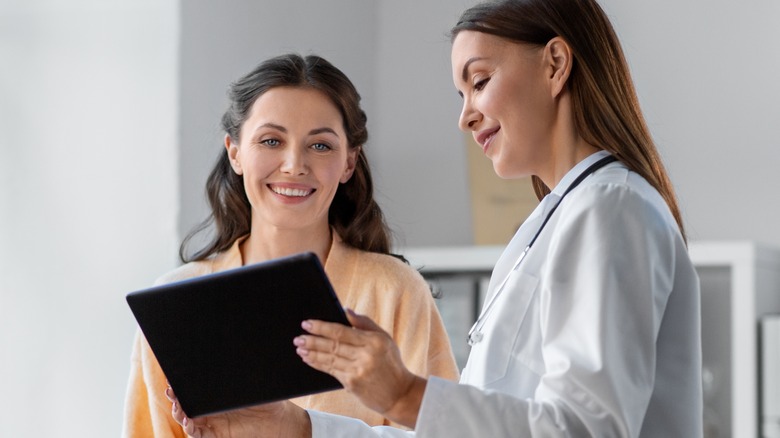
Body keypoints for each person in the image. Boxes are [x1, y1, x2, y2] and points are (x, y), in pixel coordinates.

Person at [170, 0, 703, 436]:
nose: (465, 114)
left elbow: (589, 430)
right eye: (461, 92)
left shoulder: (610, 210)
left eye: (480, 80)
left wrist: (404, 393)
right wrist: (296, 428)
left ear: (555, 64)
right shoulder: (556, 224)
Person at [121, 53, 460, 438]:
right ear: (235, 152)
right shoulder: (173, 305)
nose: (294, 165)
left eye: (320, 146)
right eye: (271, 140)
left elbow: (445, 430)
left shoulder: (395, 291)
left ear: (349, 162)